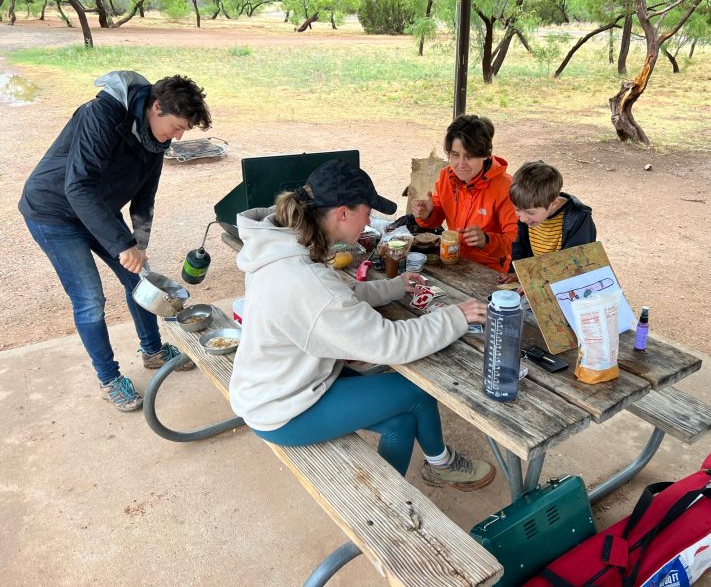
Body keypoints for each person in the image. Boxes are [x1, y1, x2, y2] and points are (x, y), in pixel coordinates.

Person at [230, 159, 496, 490]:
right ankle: (415, 485)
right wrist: (458, 315)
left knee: (400, 421)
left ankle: (401, 490)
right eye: (367, 211)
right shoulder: (306, 282)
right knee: (417, 390)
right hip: (282, 408)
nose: (370, 220)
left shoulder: (285, 247)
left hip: (284, 380)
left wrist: (396, 287)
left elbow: (342, 293)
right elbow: (391, 343)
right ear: (342, 213)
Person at [19, 71, 212, 412]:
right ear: (156, 106)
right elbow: (78, 187)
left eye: (184, 129)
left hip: (98, 210)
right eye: (178, 125)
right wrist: (123, 245)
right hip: (53, 212)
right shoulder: (101, 116)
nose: (179, 135)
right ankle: (109, 380)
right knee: (90, 297)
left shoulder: (157, 137)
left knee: (141, 279)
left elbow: (145, 193)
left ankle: (153, 351)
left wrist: (139, 241)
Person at [411, 114, 519, 273]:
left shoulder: (506, 188)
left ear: (485, 154)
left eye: (470, 156)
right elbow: (437, 216)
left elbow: (516, 241)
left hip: (490, 270)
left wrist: (486, 240)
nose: (461, 164)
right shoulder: (446, 176)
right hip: (453, 259)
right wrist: (428, 214)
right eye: (455, 155)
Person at [499, 160, 597, 284]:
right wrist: (520, 272)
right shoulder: (527, 212)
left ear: (554, 203)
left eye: (530, 213)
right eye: (517, 209)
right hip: (538, 277)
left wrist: (537, 281)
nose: (522, 219)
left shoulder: (579, 219)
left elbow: (577, 263)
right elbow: (520, 247)